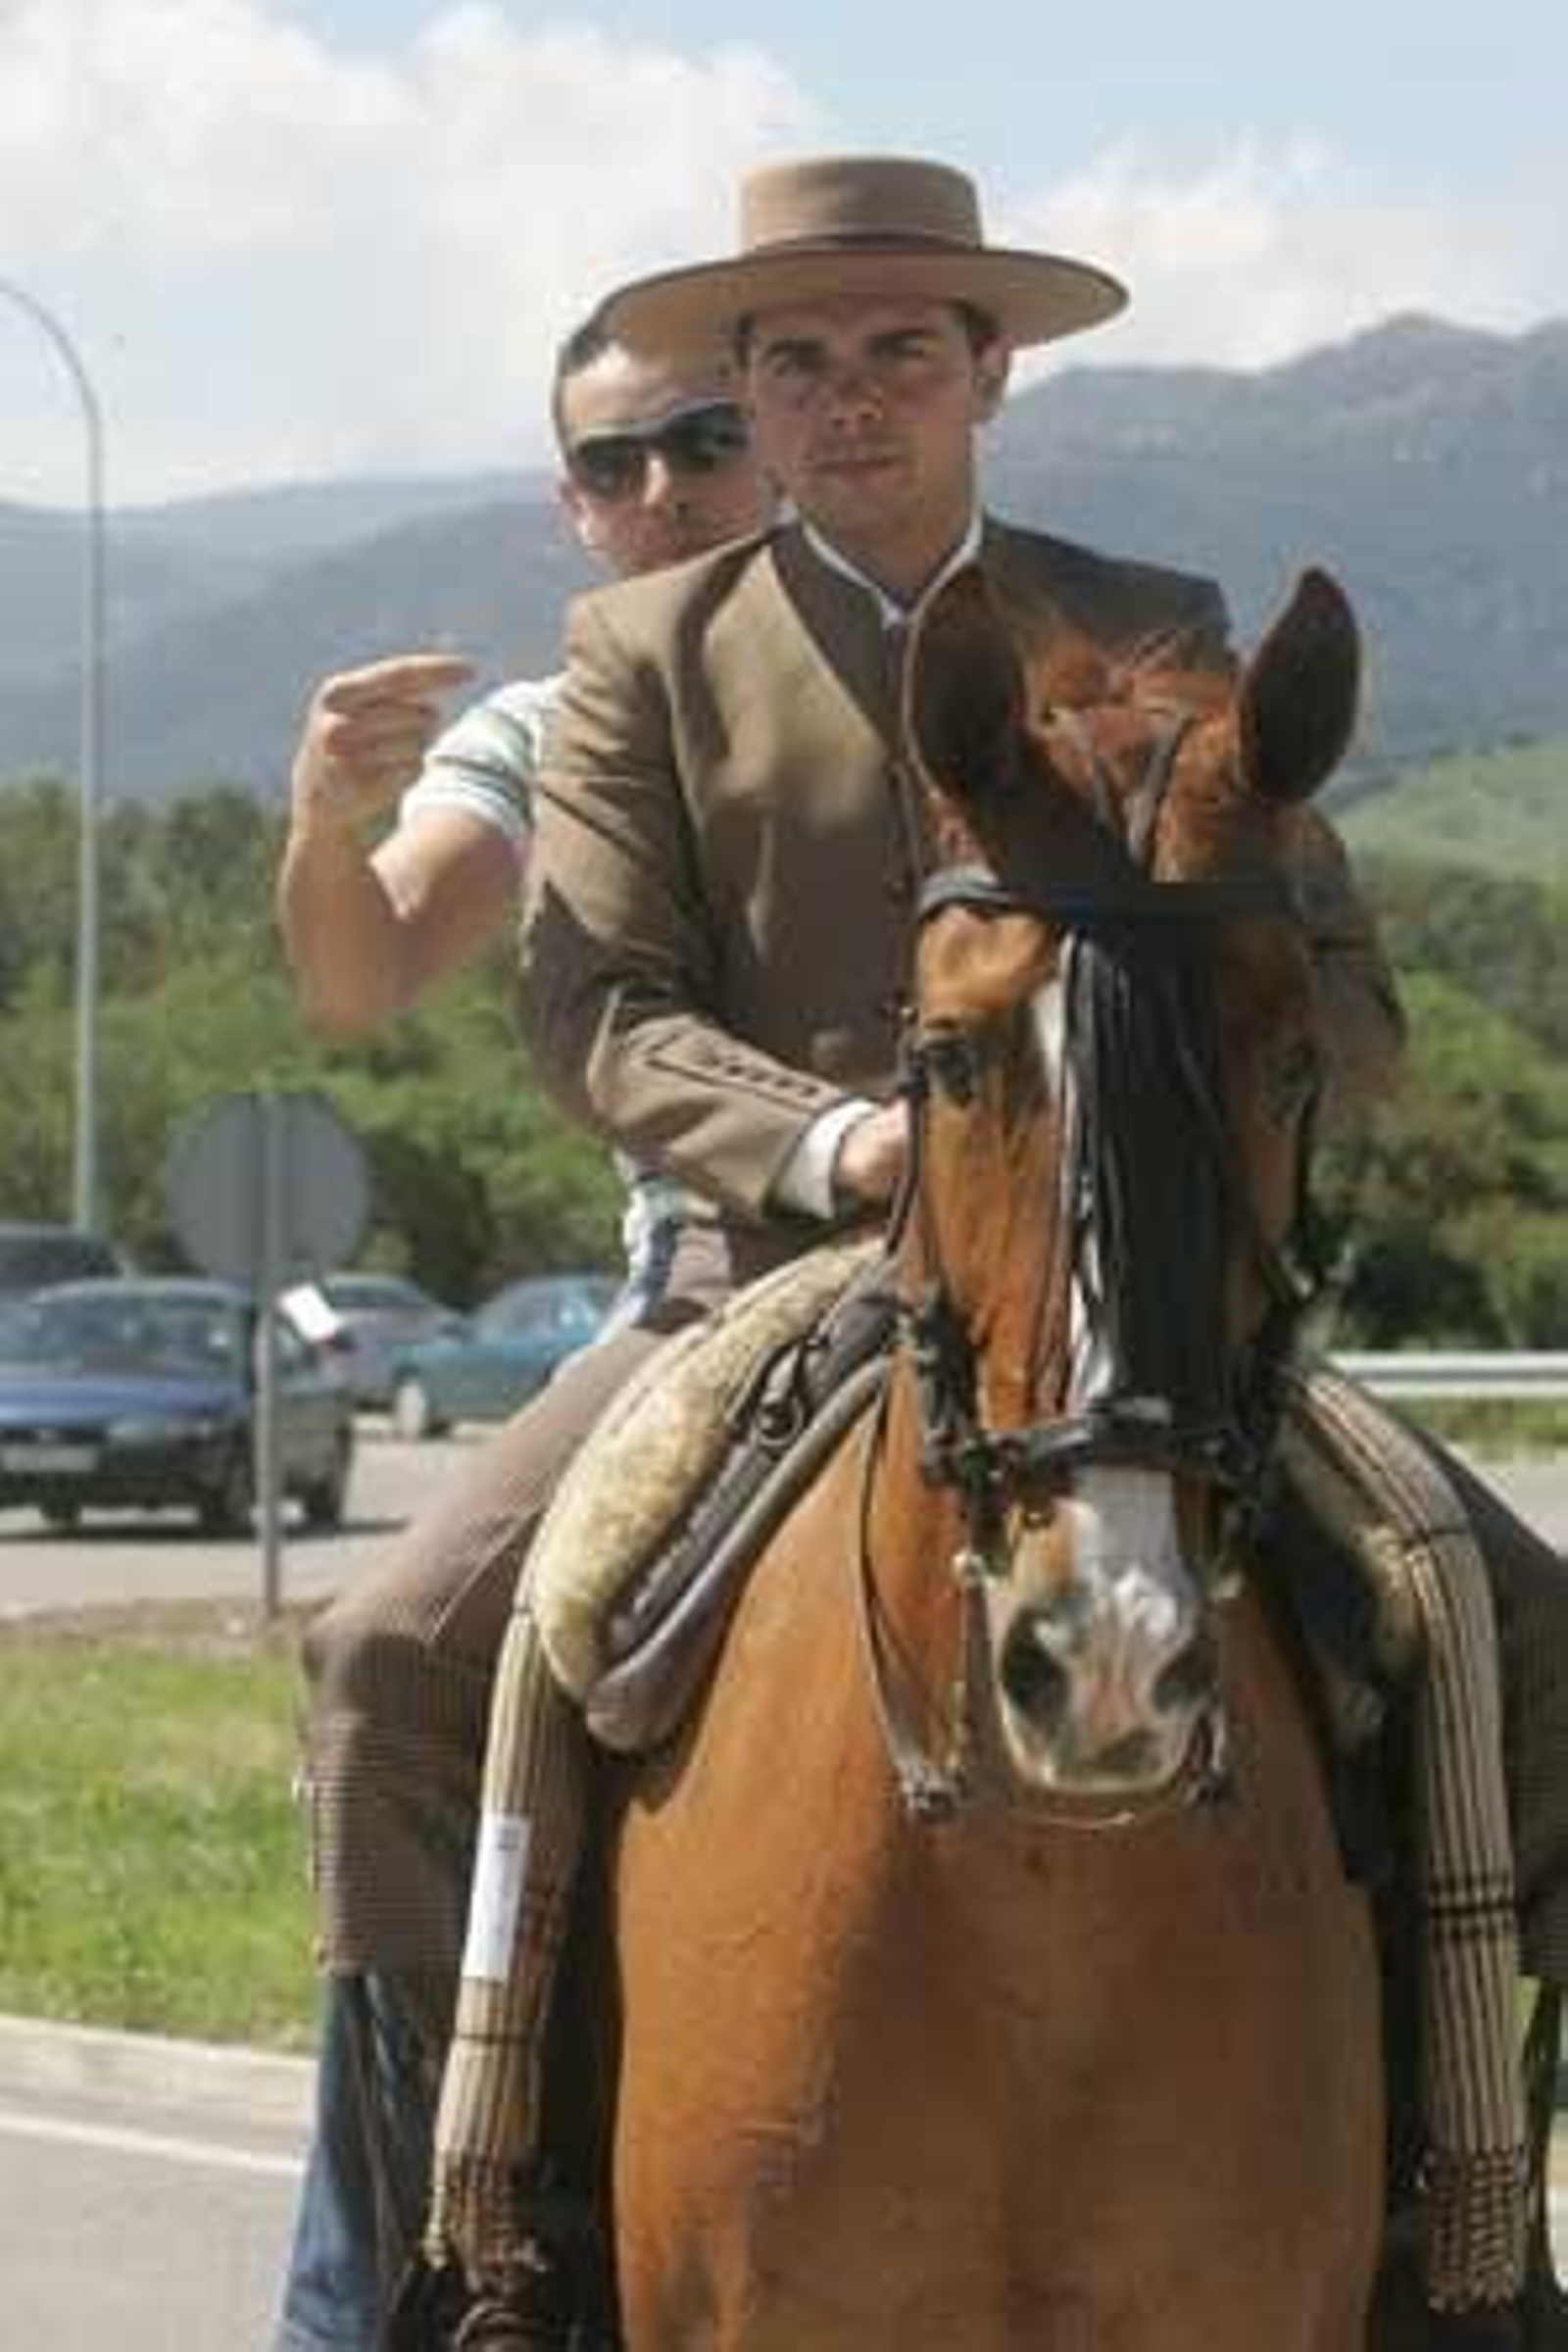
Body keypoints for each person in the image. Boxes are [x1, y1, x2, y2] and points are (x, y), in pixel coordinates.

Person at [412, 156, 1416, 2343]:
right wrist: (841, 1140)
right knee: (416, 1649)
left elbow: (1323, 967)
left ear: (988, 370)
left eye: (894, 353)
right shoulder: (642, 651)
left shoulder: (1155, 622)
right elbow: (600, 1011)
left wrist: (1238, 1069)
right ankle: (458, 2235)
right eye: (792, 364)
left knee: (1488, 1624)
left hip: (1127, 1267)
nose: (842, 400)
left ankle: (1461, 2211)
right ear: (745, 400)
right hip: (768, 1263)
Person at [270, 316, 773, 2352]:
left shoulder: (942, 653)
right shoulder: (542, 727)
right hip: (705, 1288)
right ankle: (397, 2265)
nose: (665, 486)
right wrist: (322, 811)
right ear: (570, 503)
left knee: (1447, 1631)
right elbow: (357, 974)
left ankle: (1433, 2209)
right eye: (618, 459)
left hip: (1024, 1270)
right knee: (389, 1656)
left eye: (705, 437)